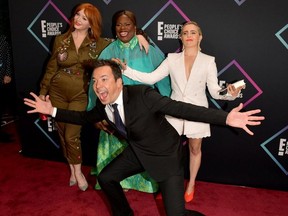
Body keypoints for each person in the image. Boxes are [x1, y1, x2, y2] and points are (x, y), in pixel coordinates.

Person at [24, 59, 264, 216]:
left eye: (104, 79)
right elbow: (83, 117)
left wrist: (225, 118)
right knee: (107, 178)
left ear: (119, 82)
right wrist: (52, 111)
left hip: (166, 155)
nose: (98, 86)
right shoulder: (103, 104)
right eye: (95, 81)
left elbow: (182, 109)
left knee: (176, 215)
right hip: (138, 151)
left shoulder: (143, 95)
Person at [116, 20, 245, 202]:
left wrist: (231, 94)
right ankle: (168, 184)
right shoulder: (171, 59)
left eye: (193, 32)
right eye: (185, 33)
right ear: (180, 37)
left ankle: (191, 183)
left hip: (197, 111)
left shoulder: (209, 61)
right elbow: (151, 77)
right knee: (168, 151)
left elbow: (216, 92)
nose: (189, 35)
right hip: (174, 109)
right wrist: (126, 70)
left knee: (194, 149)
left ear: (200, 37)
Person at [87, 10, 171, 193]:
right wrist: (94, 112)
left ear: (135, 26)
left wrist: (166, 106)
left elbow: (164, 79)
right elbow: (96, 82)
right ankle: (121, 182)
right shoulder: (108, 51)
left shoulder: (149, 49)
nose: (122, 28)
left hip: (144, 111)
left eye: (127, 24)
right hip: (115, 109)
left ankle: (147, 182)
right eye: (118, 25)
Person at [0, 34, 14, 142]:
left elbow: (7, 56)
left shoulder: (2, 38)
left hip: (1, 77)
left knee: (1, 105)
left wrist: (8, 73)